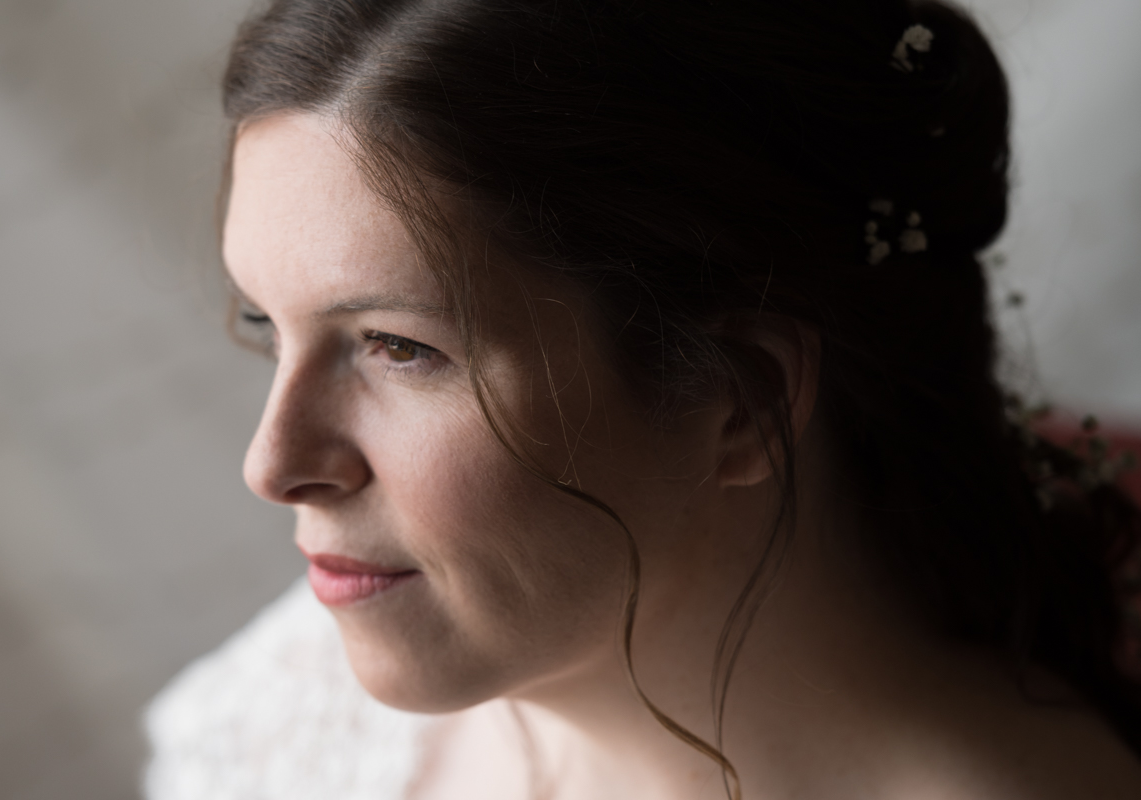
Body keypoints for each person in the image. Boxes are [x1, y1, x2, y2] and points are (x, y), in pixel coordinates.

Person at [145, 1, 1141, 798]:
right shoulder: (307, 690)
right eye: (268, 325)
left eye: (399, 347)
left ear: (736, 395)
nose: (272, 464)